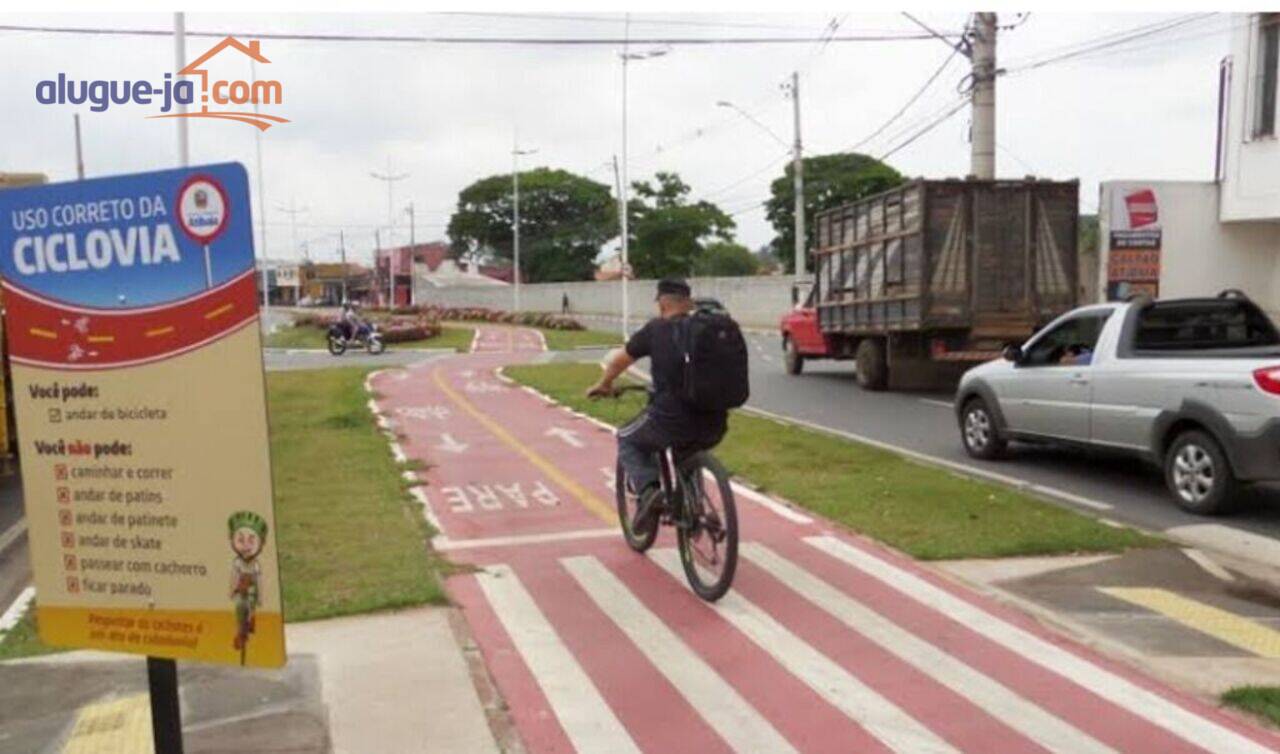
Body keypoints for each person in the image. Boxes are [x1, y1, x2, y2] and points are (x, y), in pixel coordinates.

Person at [586, 278, 728, 533]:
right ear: (689, 302)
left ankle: (650, 492)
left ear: (662, 303)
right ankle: (694, 509)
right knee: (688, 451)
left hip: (670, 419)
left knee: (627, 438)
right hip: (715, 421)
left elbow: (620, 361)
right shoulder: (710, 329)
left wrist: (604, 384)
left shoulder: (656, 329)